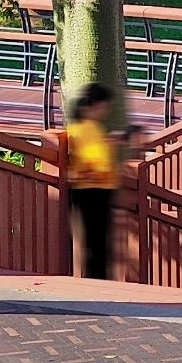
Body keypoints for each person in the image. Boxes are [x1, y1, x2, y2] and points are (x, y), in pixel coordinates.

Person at [65, 82, 119, 279]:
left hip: (91, 189)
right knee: (97, 242)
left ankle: (97, 278)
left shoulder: (86, 127)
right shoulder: (87, 129)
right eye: (104, 106)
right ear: (93, 105)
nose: (106, 111)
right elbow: (97, 162)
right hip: (92, 190)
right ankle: (97, 281)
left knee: (95, 240)